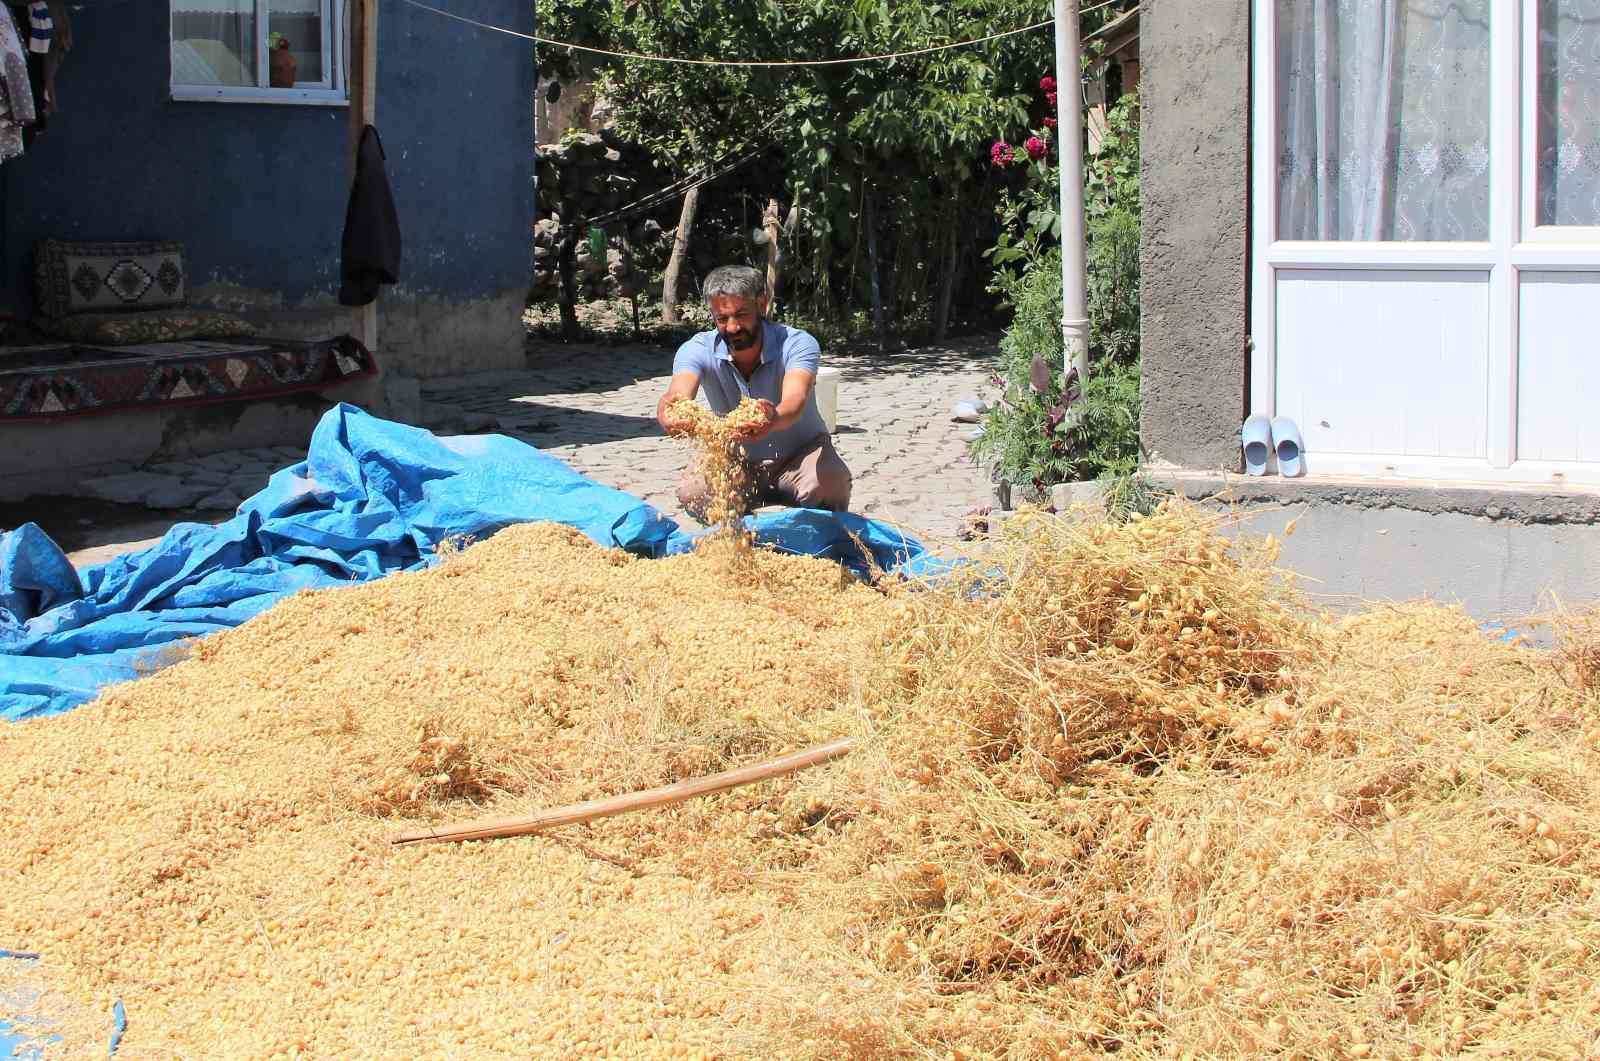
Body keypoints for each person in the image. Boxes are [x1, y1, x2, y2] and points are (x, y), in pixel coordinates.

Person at [656, 265, 852, 519]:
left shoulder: (797, 343)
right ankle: (735, 536)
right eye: (722, 319)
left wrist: (772, 417)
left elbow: (795, 400)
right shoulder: (696, 349)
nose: (733, 327)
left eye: (741, 314)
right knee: (695, 491)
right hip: (737, 459)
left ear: (762, 305)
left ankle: (821, 536)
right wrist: (668, 412)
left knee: (830, 481)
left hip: (800, 455)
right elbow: (678, 394)